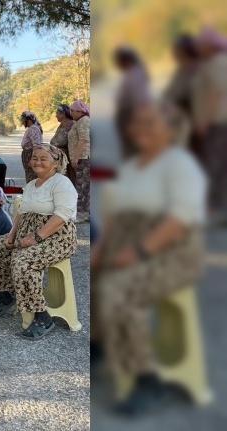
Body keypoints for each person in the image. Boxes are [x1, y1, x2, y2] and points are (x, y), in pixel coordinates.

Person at [91, 103, 206, 415]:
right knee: (93, 277)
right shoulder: (131, 167)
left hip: (173, 251)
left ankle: (147, 378)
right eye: (137, 123)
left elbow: (179, 219)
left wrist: (140, 252)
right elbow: (115, 215)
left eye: (150, 124)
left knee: (120, 288)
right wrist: (100, 252)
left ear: (170, 129)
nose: (140, 130)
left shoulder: (180, 164)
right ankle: (100, 344)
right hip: (127, 242)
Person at [0, 144, 77, 340]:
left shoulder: (62, 183)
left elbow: (62, 215)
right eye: (35, 158)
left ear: (55, 162)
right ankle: (6, 294)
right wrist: (12, 235)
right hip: (27, 234)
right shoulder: (31, 185)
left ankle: (42, 316)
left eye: (44, 158)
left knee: (24, 262)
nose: (38, 162)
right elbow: (21, 213)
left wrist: (36, 237)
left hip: (56, 238)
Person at [192, 28, 227, 221]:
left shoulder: (217, 63)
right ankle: (214, 206)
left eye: (201, 44)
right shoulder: (210, 63)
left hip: (217, 122)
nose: (198, 48)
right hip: (215, 121)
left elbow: (215, 93)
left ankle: (214, 208)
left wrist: (204, 121)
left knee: (215, 164)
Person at [163, 35, 201, 160]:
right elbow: (170, 92)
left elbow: (191, 94)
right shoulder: (182, 68)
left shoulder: (195, 68)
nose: (172, 53)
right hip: (179, 120)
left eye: (175, 49)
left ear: (183, 51)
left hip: (192, 122)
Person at [114, 46, 151, 159]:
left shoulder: (135, 74)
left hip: (131, 114)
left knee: (133, 146)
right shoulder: (134, 73)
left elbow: (139, 99)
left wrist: (135, 121)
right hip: (130, 113)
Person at [68, 100, 91, 221]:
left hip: (84, 157)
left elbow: (83, 140)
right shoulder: (79, 121)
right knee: (82, 185)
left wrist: (76, 157)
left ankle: (83, 213)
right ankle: (83, 212)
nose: (70, 113)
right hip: (80, 157)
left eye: (72, 110)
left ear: (80, 111)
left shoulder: (84, 121)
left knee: (84, 186)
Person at [50, 104, 77, 187]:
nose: (55, 115)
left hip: (67, 158)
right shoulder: (61, 124)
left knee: (68, 180)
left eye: (57, 113)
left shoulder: (72, 124)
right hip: (58, 156)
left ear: (63, 114)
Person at [19, 111, 44, 183]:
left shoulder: (33, 129)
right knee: (29, 176)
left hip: (31, 155)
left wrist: (33, 159)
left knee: (32, 177)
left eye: (23, 119)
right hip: (28, 155)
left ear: (28, 120)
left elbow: (36, 145)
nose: (22, 122)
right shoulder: (31, 128)